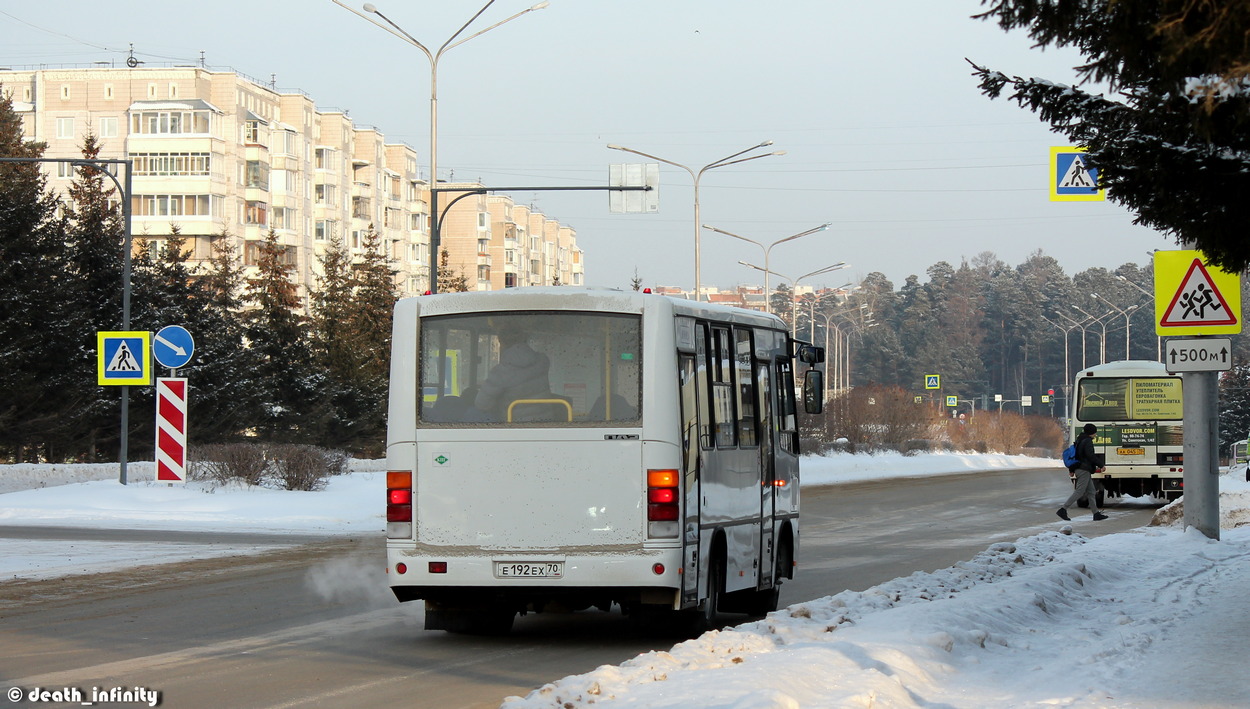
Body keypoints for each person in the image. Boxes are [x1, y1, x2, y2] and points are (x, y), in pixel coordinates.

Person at [473, 327, 551, 420]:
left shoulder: (500, 373)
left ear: (502, 342)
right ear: (523, 338)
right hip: (546, 422)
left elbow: (482, 404)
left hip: (514, 426)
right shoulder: (542, 361)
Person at [1058, 423, 1108, 521]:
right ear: (1091, 432)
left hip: (1081, 468)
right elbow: (1090, 455)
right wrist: (1101, 464)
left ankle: (1096, 514)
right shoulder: (1087, 441)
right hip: (1083, 469)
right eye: (1094, 432)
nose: (1095, 434)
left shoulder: (1080, 440)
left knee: (1091, 491)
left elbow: (1075, 456)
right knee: (1080, 491)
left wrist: (1071, 469)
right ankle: (1063, 509)